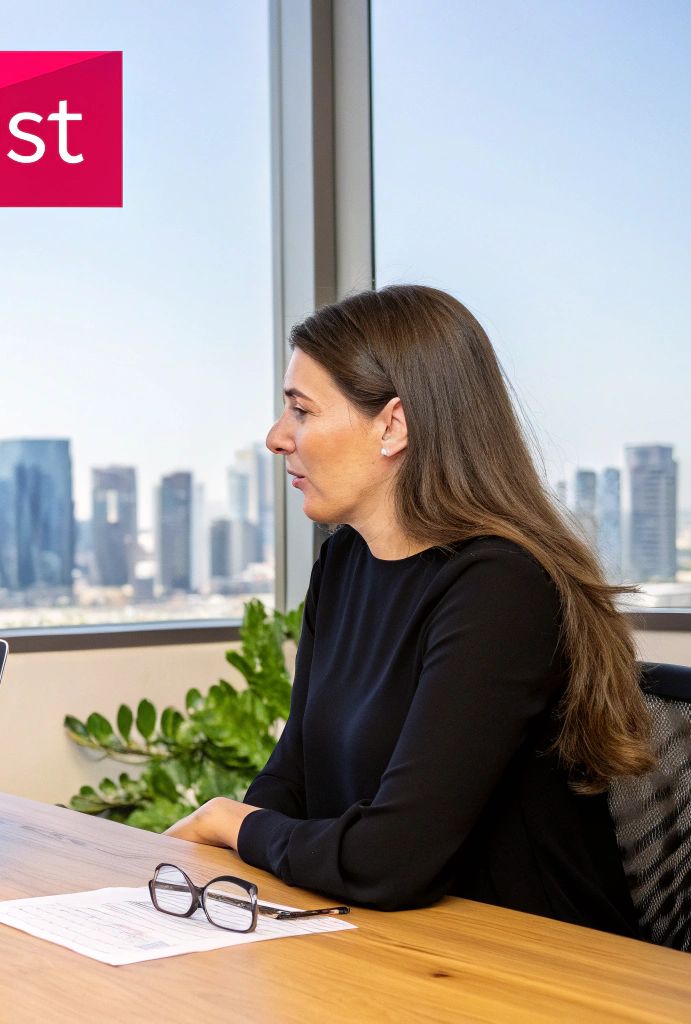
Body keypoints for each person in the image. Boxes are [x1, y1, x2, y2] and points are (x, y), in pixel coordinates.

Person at [166, 286, 651, 937]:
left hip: (529, 965)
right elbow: (294, 781)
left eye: (302, 411)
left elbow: (392, 860)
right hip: (386, 942)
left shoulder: (499, 586)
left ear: (393, 425)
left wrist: (230, 823)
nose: (277, 437)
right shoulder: (344, 563)